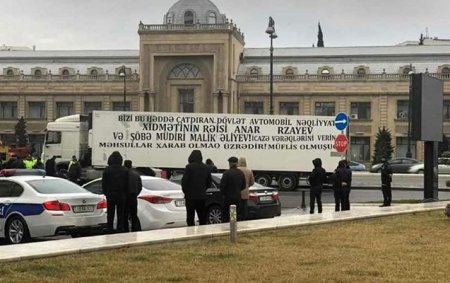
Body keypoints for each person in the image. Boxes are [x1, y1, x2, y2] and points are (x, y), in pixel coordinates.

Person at [181, 150, 212, 226]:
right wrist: (203, 189)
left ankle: (191, 232)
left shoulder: (189, 167)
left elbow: (184, 182)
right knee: (202, 216)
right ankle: (202, 233)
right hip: (201, 196)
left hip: (190, 196)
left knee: (190, 216)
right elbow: (209, 183)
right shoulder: (206, 168)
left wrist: (186, 192)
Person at [102, 151, 128, 233]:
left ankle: (110, 228)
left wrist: (106, 193)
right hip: (121, 195)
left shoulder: (107, 170)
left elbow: (104, 184)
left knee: (110, 213)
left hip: (110, 195)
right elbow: (127, 184)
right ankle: (120, 228)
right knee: (120, 213)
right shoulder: (125, 170)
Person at [220, 156, 246, 223]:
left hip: (228, 198)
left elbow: (222, 186)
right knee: (234, 215)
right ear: (236, 163)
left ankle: (227, 229)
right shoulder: (241, 173)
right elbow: (244, 185)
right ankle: (233, 227)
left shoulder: (226, 173)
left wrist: (224, 193)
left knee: (226, 215)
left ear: (230, 163)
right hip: (237, 197)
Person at [124, 160, 142, 232]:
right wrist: (136, 193)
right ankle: (136, 229)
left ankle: (126, 230)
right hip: (133, 197)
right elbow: (140, 187)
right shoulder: (136, 175)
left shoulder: (123, 174)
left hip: (125, 197)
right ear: (131, 165)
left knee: (124, 215)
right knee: (134, 215)